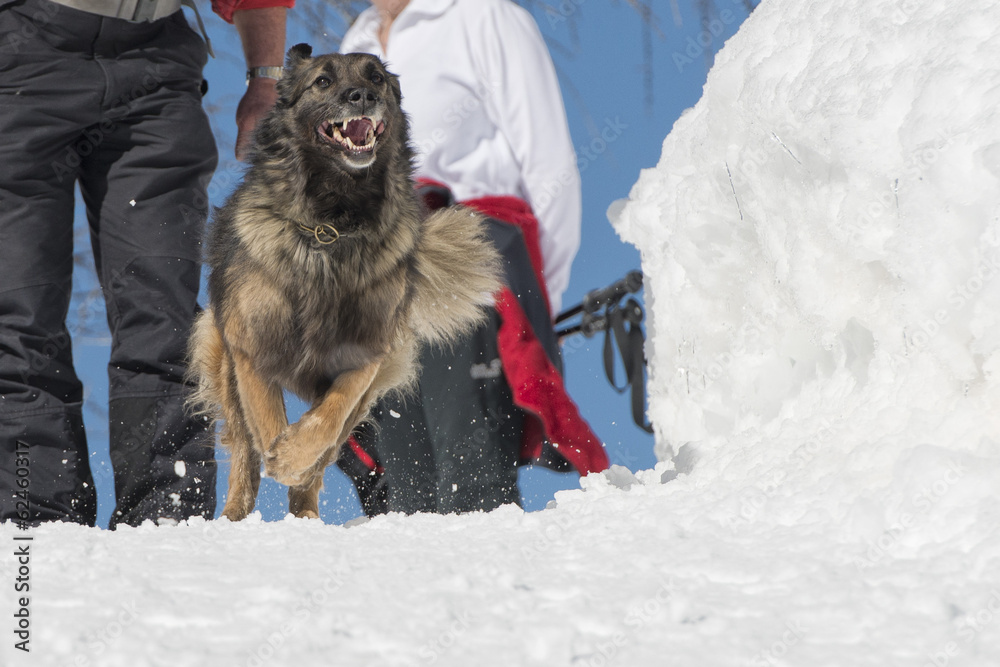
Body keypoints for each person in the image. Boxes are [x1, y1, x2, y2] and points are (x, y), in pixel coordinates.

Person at [0, 0, 290, 528]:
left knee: (164, 313)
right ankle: (34, 526)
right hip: (21, 56)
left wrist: (267, 79)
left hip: (155, 66)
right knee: (17, 315)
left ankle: (167, 519)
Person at [336, 0, 610, 516]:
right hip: (381, 279)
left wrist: (528, 297)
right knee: (402, 496)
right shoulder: (358, 40)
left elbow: (549, 164)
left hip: (467, 262)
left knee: (469, 481)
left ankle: (486, 591)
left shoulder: (483, 16)